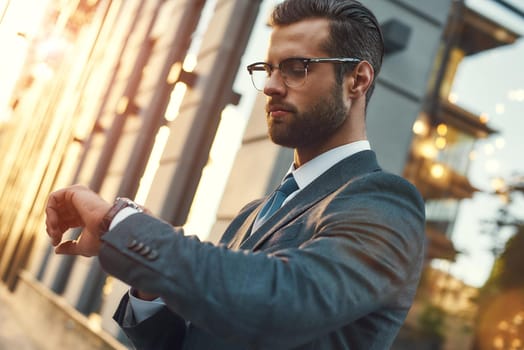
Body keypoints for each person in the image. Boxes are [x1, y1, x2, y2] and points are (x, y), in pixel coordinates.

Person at [45, 0, 426, 349]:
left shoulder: (385, 202)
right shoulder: (251, 214)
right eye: (268, 69)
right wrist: (148, 282)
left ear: (357, 80)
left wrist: (118, 223)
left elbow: (278, 303)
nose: (272, 86)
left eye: (296, 68)